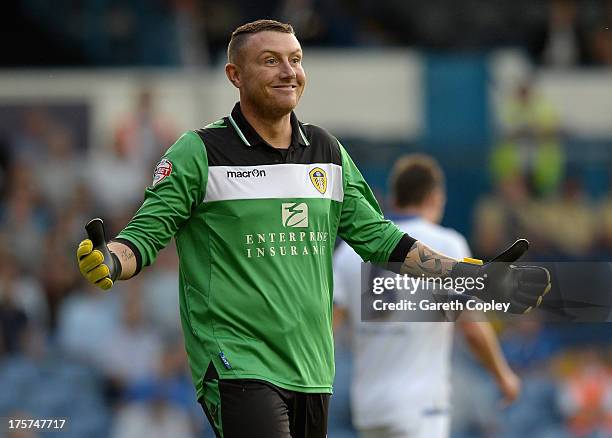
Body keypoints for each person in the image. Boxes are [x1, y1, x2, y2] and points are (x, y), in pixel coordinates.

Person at [76, 19, 550, 438]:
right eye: (270, 61)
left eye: (296, 59)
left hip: (313, 369)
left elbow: (382, 239)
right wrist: (112, 260)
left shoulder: (326, 151)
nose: (289, 71)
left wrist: (462, 275)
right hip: (235, 362)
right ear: (234, 75)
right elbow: (146, 233)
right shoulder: (199, 152)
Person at [333, 154, 521, 438]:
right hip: (420, 406)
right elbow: (471, 328)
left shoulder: (349, 252)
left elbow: (329, 325)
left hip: (369, 408)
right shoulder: (447, 244)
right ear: (435, 198)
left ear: (394, 198)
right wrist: (502, 375)